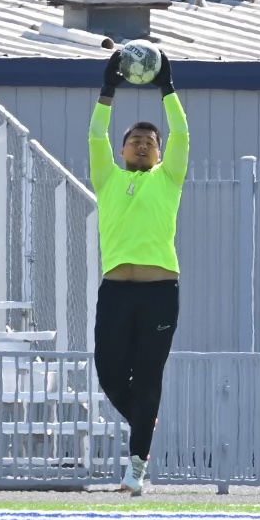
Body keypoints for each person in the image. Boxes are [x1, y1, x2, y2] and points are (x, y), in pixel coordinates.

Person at [89, 48, 189, 495]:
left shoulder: (168, 179)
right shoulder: (107, 178)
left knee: (149, 377)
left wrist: (166, 87)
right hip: (115, 292)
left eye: (152, 141)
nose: (145, 143)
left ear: (160, 154)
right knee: (109, 371)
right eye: (136, 139)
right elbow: (96, 134)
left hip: (159, 291)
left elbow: (182, 131)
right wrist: (108, 89)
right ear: (122, 148)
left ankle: (136, 466)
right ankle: (145, 418)